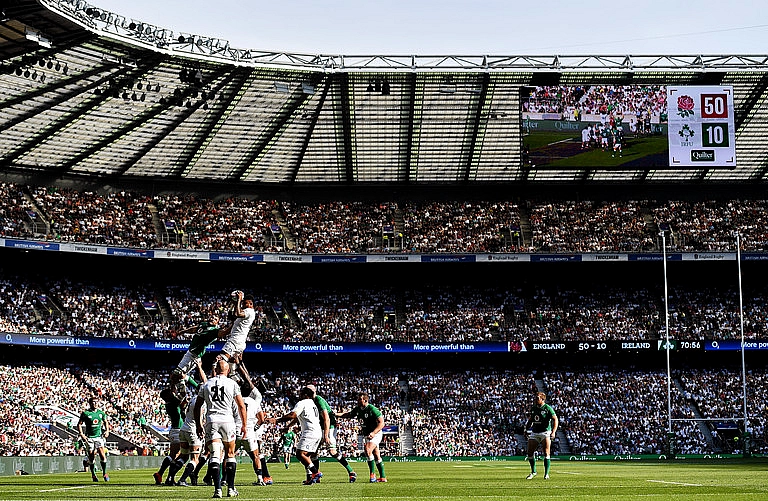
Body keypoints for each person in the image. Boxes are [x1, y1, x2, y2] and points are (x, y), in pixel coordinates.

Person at [194, 359, 247, 499]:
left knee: (215, 455)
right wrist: (244, 425)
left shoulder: (206, 384)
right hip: (228, 421)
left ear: (215, 370)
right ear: (228, 370)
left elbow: (197, 406)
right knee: (230, 454)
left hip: (212, 421)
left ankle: (217, 490)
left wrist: (199, 425)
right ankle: (230, 488)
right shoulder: (232, 383)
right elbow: (241, 406)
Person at [154, 363, 203, 486]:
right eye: (171, 393)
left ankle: (165, 476)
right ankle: (166, 476)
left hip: (175, 430)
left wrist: (173, 382)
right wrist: (182, 381)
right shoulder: (173, 403)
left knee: (176, 455)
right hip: (178, 430)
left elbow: (177, 395)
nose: (173, 392)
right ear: (168, 396)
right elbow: (183, 396)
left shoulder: (169, 403)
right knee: (176, 456)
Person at [267, 386, 323, 485]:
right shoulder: (312, 404)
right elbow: (301, 418)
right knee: (307, 456)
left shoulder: (302, 403)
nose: (299, 395)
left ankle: (315, 472)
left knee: (300, 454)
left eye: (301, 393)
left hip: (310, 432)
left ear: (305, 395)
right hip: (317, 432)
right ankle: (309, 478)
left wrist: (277, 420)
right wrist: (290, 426)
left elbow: (293, 415)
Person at [306, 384, 357, 482]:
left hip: (329, 427)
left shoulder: (318, 400)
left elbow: (327, 418)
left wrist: (326, 435)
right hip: (319, 427)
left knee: (332, 452)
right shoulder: (310, 401)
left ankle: (351, 472)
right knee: (313, 452)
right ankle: (316, 475)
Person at [335, 392, 387, 483]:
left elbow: (382, 423)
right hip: (367, 434)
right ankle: (382, 477)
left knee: (367, 449)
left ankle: (372, 474)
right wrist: (336, 414)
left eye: (360, 399)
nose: (358, 401)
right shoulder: (358, 409)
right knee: (376, 455)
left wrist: (374, 433)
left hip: (376, 433)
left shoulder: (372, 409)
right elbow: (349, 415)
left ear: (365, 400)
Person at [175, 361, 208, 487]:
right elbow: (205, 381)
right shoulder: (202, 401)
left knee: (183, 456)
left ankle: (170, 477)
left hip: (184, 428)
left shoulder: (193, 399)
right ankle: (182, 479)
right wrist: (199, 366)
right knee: (195, 459)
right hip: (193, 430)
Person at [217, 291, 255, 374]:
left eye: (244, 303)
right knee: (232, 369)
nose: (243, 305)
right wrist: (235, 303)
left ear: (250, 304)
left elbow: (238, 313)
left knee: (220, 361)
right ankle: (241, 384)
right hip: (239, 343)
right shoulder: (244, 314)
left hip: (235, 341)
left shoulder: (249, 311)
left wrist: (239, 300)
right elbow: (235, 314)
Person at [524, 391, 558, 480]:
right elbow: (531, 420)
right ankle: (533, 472)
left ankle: (546, 474)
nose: (535, 399)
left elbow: (555, 419)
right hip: (535, 432)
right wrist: (526, 429)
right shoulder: (534, 408)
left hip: (545, 432)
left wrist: (553, 431)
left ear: (542, 399)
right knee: (530, 453)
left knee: (546, 453)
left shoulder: (548, 408)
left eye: (537, 398)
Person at [77, 396, 110, 482]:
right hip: (89, 438)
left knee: (102, 454)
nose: (95, 403)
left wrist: (107, 431)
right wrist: (82, 434)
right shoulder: (86, 413)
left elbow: (106, 422)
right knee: (91, 457)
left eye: (96, 402)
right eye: (93, 402)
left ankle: (105, 473)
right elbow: (79, 424)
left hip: (99, 437)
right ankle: (93, 474)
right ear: (90, 403)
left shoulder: (101, 413)